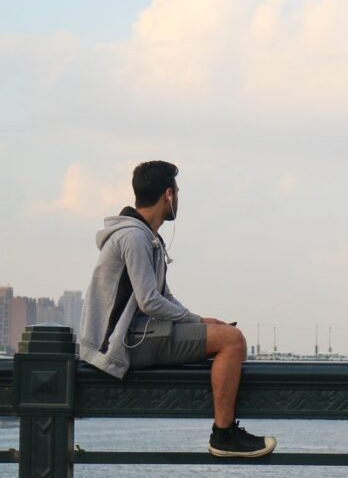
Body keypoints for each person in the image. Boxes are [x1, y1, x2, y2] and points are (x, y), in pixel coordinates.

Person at [79, 161, 276, 458]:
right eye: (178, 192)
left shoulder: (146, 236)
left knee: (224, 333)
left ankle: (225, 430)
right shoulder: (134, 237)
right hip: (125, 342)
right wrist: (199, 322)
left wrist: (202, 321)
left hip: (137, 333)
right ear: (168, 195)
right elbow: (149, 301)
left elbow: (162, 295)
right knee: (232, 341)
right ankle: (223, 435)